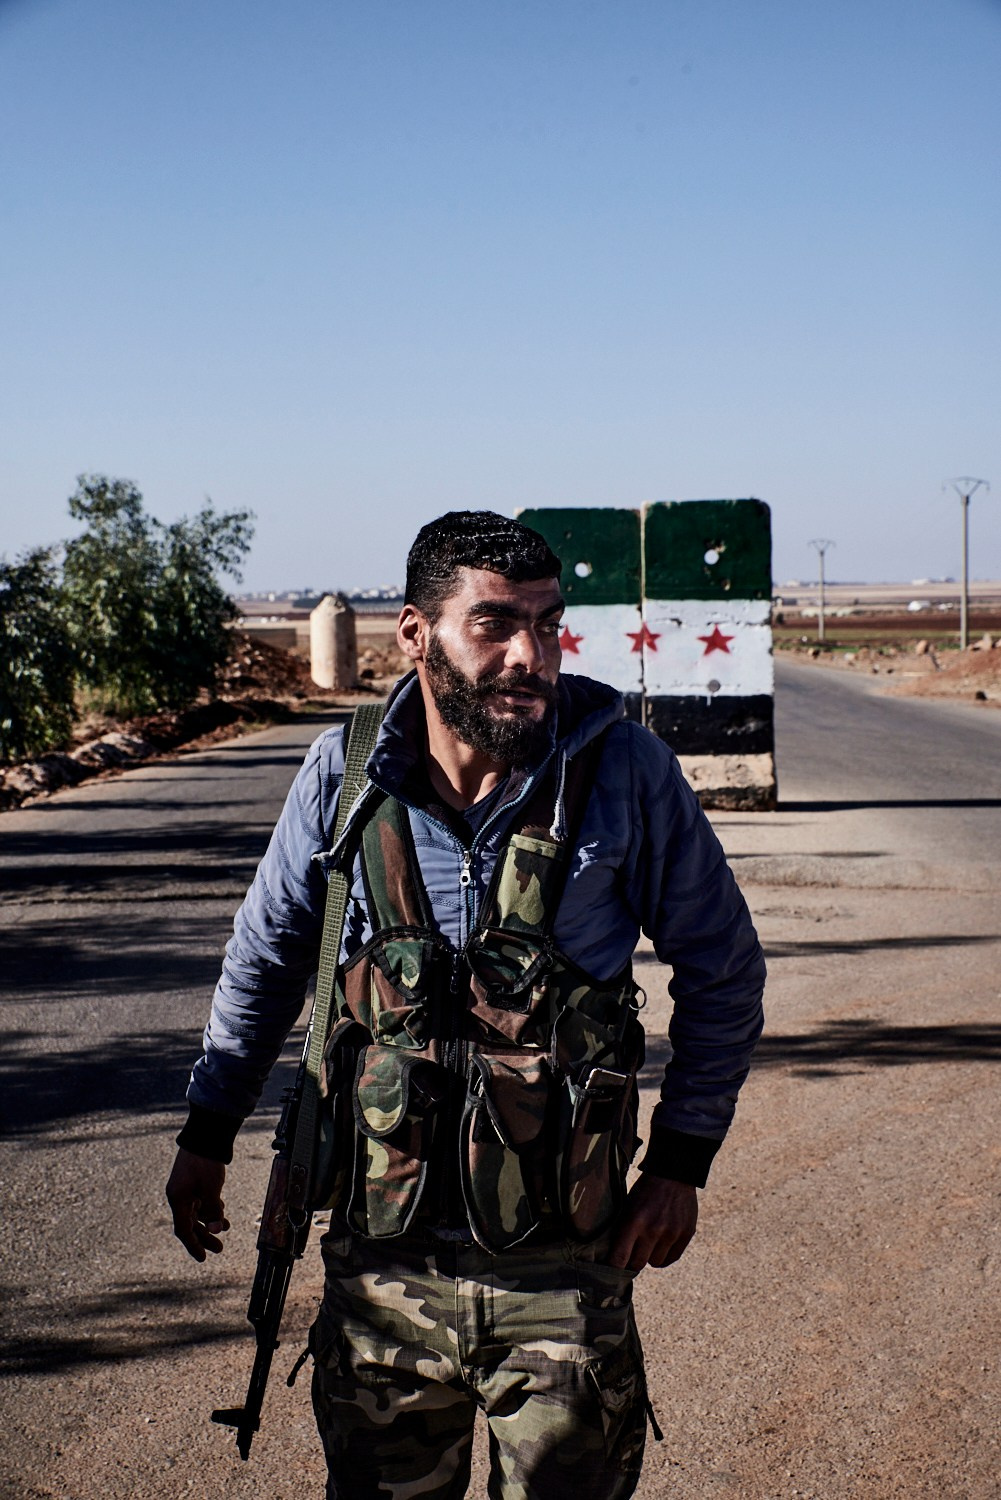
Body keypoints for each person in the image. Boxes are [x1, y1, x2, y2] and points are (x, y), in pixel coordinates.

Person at [166, 510, 765, 1500]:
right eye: (493, 624)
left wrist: (681, 1160)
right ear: (414, 634)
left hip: (562, 1278)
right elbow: (265, 963)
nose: (529, 655)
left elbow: (722, 971)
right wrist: (208, 1128)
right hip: (380, 1278)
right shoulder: (343, 776)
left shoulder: (621, 773)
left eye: (547, 624)